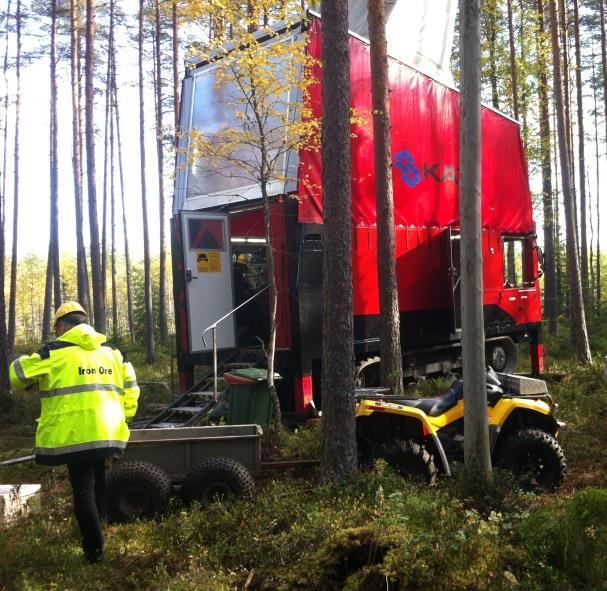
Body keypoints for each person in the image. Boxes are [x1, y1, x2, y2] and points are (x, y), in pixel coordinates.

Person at [9, 301, 140, 564]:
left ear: (63, 325)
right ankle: (100, 529)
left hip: (75, 435)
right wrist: (125, 417)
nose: (57, 334)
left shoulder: (54, 353)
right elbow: (132, 388)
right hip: (109, 430)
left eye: (57, 329)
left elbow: (17, 374)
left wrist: (27, 359)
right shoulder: (113, 352)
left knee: (83, 490)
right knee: (99, 481)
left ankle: (94, 551)